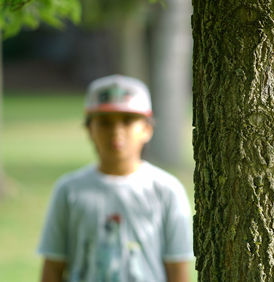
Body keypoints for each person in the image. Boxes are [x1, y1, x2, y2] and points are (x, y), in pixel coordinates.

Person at [38, 75, 193, 282]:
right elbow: (53, 266)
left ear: (147, 129)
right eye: (105, 122)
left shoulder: (166, 189)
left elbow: (177, 269)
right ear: (89, 129)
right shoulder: (69, 190)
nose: (116, 131)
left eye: (127, 121)